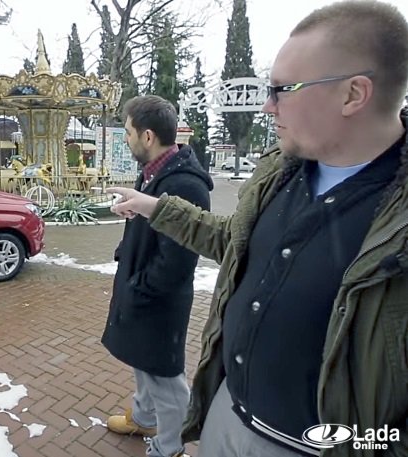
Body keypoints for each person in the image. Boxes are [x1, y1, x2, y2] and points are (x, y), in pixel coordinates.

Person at [107, 2, 408, 456]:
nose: (268, 106)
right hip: (227, 414)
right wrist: (155, 206)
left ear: (353, 94)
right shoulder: (276, 173)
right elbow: (234, 242)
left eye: (283, 89)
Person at [102, 95, 212, 457]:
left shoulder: (185, 185)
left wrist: (140, 288)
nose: (126, 139)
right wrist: (128, 245)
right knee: (141, 361)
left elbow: (177, 261)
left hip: (159, 301)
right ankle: (143, 417)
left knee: (164, 378)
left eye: (128, 132)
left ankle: (170, 447)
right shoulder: (153, 172)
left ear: (147, 136)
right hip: (141, 290)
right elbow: (154, 231)